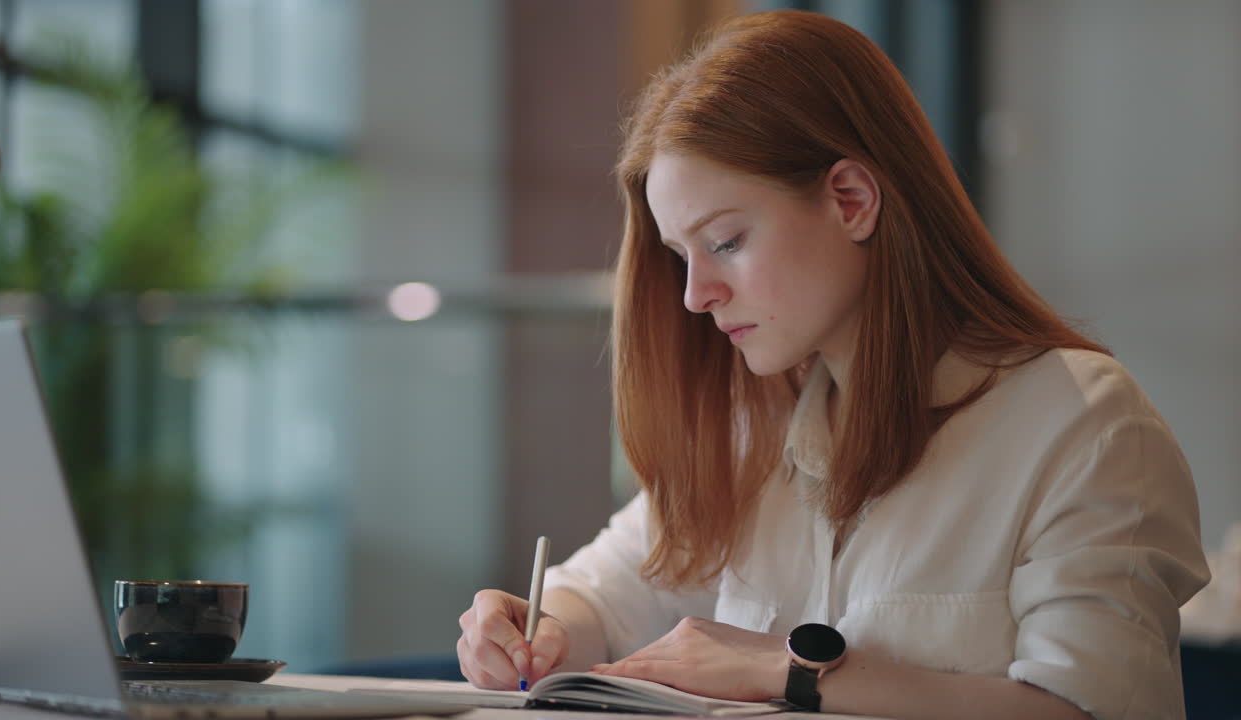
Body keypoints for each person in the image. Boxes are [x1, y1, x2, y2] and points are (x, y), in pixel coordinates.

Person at [456, 10, 1209, 720]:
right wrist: (538, 626)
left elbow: (1091, 709)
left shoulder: (1084, 428)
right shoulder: (751, 427)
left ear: (851, 200)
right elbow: (609, 596)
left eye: (724, 242)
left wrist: (791, 673)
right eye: (680, 256)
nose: (694, 296)